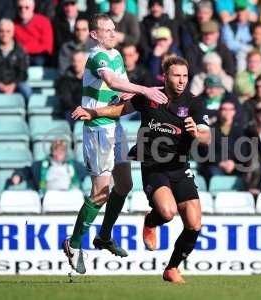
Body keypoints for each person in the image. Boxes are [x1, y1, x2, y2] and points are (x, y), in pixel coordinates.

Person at [72, 55, 211, 283]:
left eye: (185, 76)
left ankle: (172, 268)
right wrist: (94, 112)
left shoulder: (194, 103)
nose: (181, 80)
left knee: (195, 224)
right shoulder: (150, 97)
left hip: (180, 167)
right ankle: (151, 221)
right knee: (167, 212)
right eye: (177, 75)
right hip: (154, 166)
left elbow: (207, 136)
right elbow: (120, 110)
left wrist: (197, 132)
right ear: (165, 76)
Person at [62, 13, 168, 275]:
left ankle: (104, 236)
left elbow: (120, 89)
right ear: (94, 35)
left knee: (125, 184)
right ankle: (74, 244)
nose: (112, 33)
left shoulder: (116, 55)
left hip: (115, 126)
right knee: (101, 192)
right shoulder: (96, 56)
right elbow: (111, 81)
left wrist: (137, 92)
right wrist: (144, 90)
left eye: (113, 29)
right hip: (98, 129)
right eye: (106, 30)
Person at [8, 139, 87, 197]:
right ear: (52, 151)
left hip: (69, 196)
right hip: (48, 197)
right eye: (55, 150)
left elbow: (90, 172)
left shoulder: (75, 166)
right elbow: (27, 171)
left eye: (61, 151)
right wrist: (18, 175)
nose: (58, 153)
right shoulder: (40, 165)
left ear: (65, 152)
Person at [0, 19, 32, 101]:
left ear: (13, 32)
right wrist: (0, 85)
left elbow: (23, 72)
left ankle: (28, 113)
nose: (4, 34)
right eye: (1, 31)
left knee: (27, 90)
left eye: (8, 31)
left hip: (15, 83)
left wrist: (13, 85)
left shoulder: (20, 50)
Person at [199, 100, 244, 184]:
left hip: (235, 166)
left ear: (234, 112)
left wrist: (233, 163)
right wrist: (220, 162)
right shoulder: (210, 129)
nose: (227, 112)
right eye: (224, 109)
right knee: (213, 174)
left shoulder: (240, 130)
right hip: (215, 165)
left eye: (230, 109)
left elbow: (244, 151)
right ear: (219, 111)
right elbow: (205, 152)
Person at [14, 0, 54, 65]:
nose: (23, 10)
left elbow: (47, 47)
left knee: (39, 61)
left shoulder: (43, 21)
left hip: (39, 56)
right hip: (20, 55)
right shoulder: (14, 24)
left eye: (27, 7)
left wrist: (26, 49)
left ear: (33, 7)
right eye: (20, 8)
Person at [56, 50, 87, 126]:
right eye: (74, 61)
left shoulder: (92, 79)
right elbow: (66, 99)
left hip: (89, 110)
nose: (76, 64)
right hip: (72, 111)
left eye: (79, 61)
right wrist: (79, 109)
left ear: (85, 62)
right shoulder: (65, 79)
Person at [221, 0, 254, 72]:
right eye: (237, 10)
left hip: (253, 53)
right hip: (234, 55)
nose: (240, 13)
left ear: (248, 11)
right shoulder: (229, 25)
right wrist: (246, 48)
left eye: (243, 10)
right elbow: (230, 44)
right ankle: (241, 78)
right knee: (241, 54)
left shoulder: (253, 25)